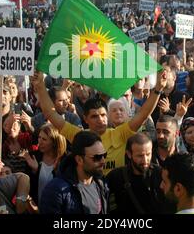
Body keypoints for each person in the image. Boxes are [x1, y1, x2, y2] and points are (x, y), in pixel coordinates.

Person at [32, 69, 167, 175]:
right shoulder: (79, 136)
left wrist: (158, 89)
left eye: (103, 115)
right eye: (94, 116)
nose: (100, 120)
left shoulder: (119, 134)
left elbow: (143, 114)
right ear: (85, 119)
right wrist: (40, 87)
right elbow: (50, 113)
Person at [39, 131, 109, 214]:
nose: (103, 161)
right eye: (97, 157)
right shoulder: (55, 190)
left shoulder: (101, 184)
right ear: (79, 159)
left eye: (104, 155)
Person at [107, 133, 175, 214]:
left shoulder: (160, 174)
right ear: (129, 154)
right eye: (140, 156)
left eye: (148, 154)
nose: (145, 160)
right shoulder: (116, 176)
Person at [22, 123, 67, 204]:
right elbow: (27, 188)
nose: (40, 142)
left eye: (44, 139)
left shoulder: (65, 161)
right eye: (39, 137)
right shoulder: (33, 156)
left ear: (54, 142)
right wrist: (35, 171)